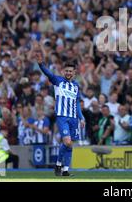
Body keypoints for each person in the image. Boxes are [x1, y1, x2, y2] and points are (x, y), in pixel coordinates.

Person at [36, 49, 85, 177]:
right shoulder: (58, 81)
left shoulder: (76, 86)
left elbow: (77, 103)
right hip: (62, 116)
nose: (68, 73)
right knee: (67, 142)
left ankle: (65, 170)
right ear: (64, 72)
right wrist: (41, 65)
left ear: (74, 73)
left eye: (71, 71)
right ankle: (58, 164)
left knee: (70, 145)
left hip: (74, 118)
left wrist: (82, 118)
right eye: (67, 71)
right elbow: (48, 74)